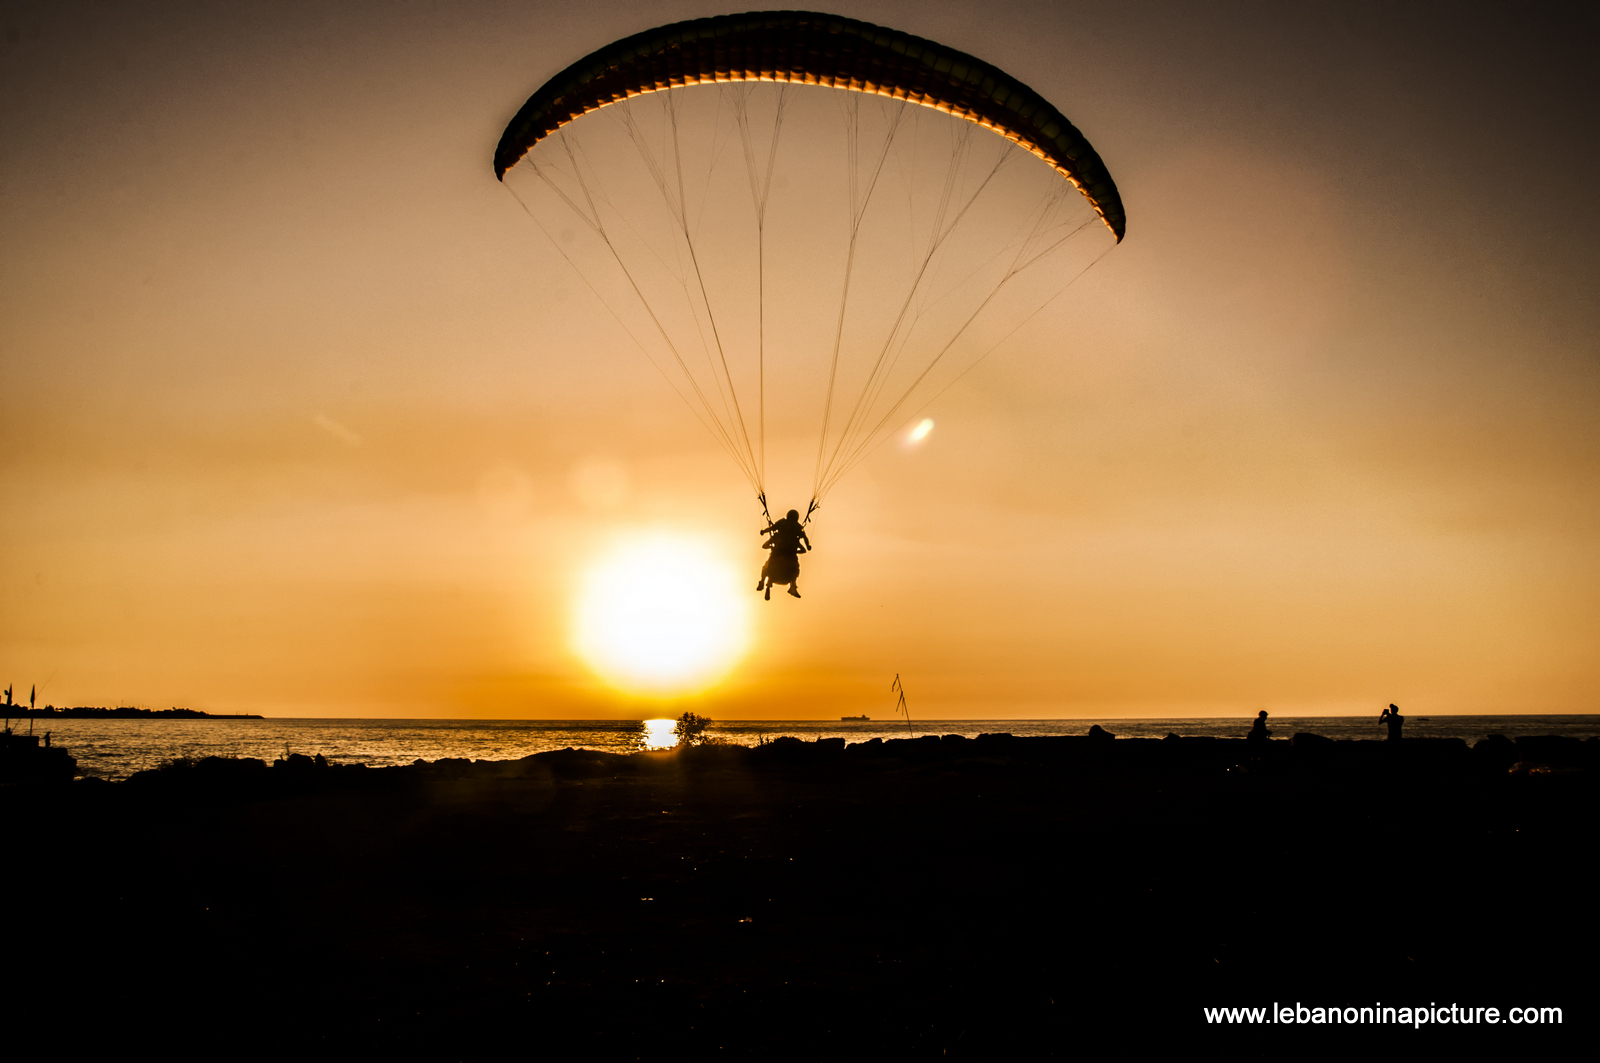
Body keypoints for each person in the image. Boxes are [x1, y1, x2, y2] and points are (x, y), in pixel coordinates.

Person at [757, 509, 811, 600]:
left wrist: (764, 532)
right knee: (795, 569)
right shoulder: (798, 528)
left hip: (778, 552)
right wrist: (807, 546)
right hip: (789, 554)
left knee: (766, 567)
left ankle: (762, 582)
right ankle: (793, 586)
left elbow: (772, 528)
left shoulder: (781, 525)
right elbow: (805, 539)